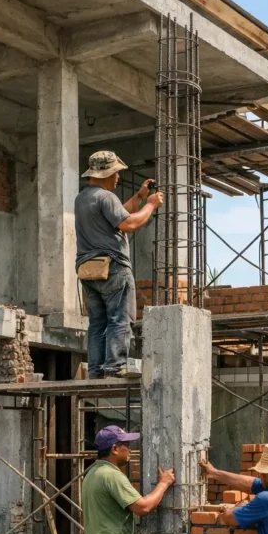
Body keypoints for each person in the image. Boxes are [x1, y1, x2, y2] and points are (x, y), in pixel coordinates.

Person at [75, 150, 164, 379]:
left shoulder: (83, 198)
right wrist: (151, 205)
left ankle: (95, 372)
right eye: (116, 173)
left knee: (98, 323)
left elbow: (117, 215)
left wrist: (140, 196)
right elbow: (129, 224)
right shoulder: (106, 197)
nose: (118, 178)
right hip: (113, 268)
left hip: (89, 271)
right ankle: (115, 368)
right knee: (120, 318)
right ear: (106, 173)